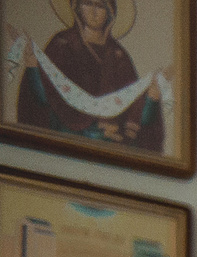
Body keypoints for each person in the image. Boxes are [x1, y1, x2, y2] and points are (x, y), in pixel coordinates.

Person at [13, 0, 168, 156]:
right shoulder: (61, 45)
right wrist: (33, 67)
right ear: (78, 7)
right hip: (66, 139)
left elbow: (136, 111)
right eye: (88, 3)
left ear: (110, 13)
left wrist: (151, 99)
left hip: (110, 145)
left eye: (100, 6)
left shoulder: (118, 55)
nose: (94, 11)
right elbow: (44, 97)